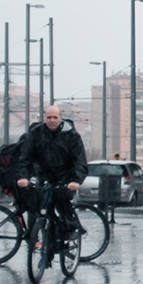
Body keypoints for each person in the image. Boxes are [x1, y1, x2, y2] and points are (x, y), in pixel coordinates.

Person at [15, 105, 89, 245]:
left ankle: (70, 228)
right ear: (44, 118)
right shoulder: (36, 133)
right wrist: (23, 176)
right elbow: (25, 157)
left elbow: (79, 160)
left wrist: (75, 180)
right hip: (44, 176)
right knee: (39, 207)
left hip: (66, 177)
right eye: (49, 117)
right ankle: (39, 237)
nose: (52, 120)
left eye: (55, 117)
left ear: (61, 118)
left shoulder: (72, 135)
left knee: (62, 202)